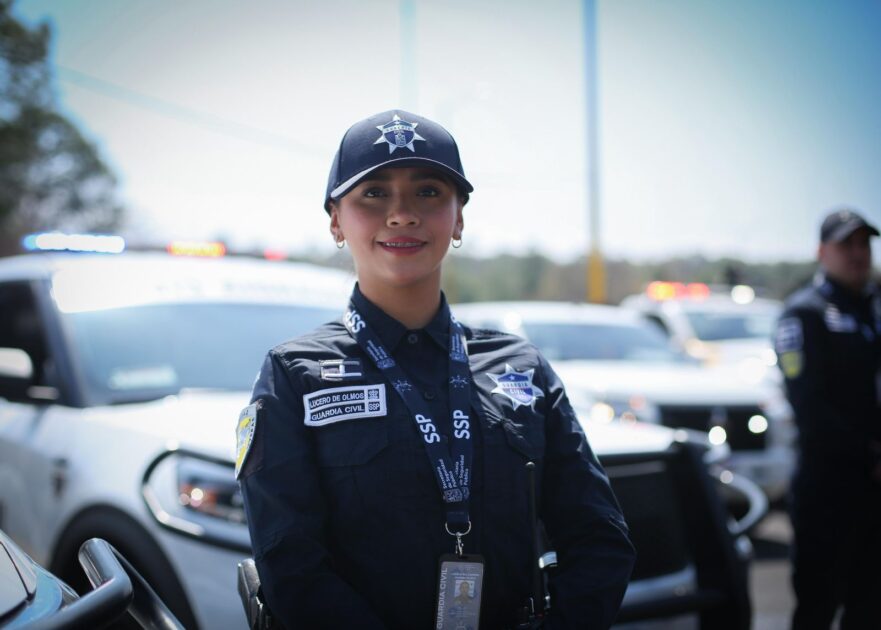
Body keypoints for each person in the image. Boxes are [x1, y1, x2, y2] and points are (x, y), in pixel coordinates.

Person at [236, 110, 635, 629]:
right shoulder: (294, 375)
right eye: (373, 194)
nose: (402, 214)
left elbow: (599, 539)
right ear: (336, 220)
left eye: (428, 192)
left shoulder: (522, 367)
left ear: (459, 218)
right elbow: (291, 565)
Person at [774, 208, 881, 629]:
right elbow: (810, 408)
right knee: (817, 609)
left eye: (864, 243)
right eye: (845, 244)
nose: (858, 253)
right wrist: (870, 455)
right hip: (828, 492)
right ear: (822, 252)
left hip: (874, 494)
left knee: (870, 609)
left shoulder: (874, 308)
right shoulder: (804, 314)